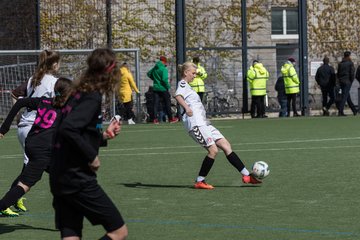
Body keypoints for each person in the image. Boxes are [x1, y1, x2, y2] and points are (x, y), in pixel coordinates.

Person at [49, 48, 128, 240]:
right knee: (118, 231)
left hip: (60, 174)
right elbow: (68, 129)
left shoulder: (77, 92)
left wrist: (104, 136)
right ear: (109, 71)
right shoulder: (92, 95)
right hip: (77, 178)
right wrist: (92, 156)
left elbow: (73, 131)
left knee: (71, 234)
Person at [174, 61, 261, 190]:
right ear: (186, 72)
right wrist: (186, 108)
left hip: (204, 124)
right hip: (196, 125)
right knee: (213, 150)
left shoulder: (189, 86)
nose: (195, 76)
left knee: (226, 145)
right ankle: (200, 181)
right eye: (193, 73)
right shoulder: (183, 84)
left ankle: (247, 176)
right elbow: (177, 95)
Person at [0, 78, 73, 217]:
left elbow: (20, 102)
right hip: (42, 151)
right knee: (24, 185)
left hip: (32, 144)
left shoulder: (44, 101)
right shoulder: (65, 110)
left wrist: (4, 128)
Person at [1, 49, 60, 216]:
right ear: (54, 64)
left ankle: (13, 198)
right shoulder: (54, 83)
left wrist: (20, 117)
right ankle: (7, 202)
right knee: (32, 170)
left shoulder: (33, 79)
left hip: (25, 126)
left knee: (33, 168)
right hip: (37, 129)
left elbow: (17, 96)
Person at [147, 56, 178, 124]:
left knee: (155, 104)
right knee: (167, 103)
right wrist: (168, 86)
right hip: (163, 88)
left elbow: (149, 73)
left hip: (155, 88)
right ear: (164, 61)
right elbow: (164, 79)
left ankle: (154, 119)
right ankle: (170, 118)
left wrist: (154, 79)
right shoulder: (164, 69)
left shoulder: (155, 67)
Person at [337, 51, 357, 116]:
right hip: (347, 81)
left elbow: (338, 73)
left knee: (347, 96)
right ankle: (340, 111)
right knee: (344, 97)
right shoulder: (350, 63)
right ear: (349, 56)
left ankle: (354, 110)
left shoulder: (340, 64)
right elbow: (352, 73)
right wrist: (351, 81)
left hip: (341, 81)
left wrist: (339, 80)